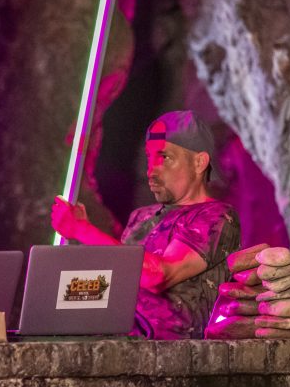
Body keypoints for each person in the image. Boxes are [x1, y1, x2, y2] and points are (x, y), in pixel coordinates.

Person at [51, 110, 240, 340]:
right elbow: (119, 283)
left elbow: (159, 276)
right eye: (149, 157)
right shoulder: (141, 217)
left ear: (199, 162)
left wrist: (83, 230)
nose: (151, 170)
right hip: (117, 341)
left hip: (172, 353)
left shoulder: (216, 217)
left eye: (164, 157)